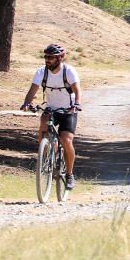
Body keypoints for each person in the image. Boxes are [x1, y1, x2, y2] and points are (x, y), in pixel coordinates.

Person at [21, 43, 81, 189]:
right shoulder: (41, 72)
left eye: (51, 57)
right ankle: (46, 153)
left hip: (68, 110)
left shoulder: (69, 71)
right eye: (46, 57)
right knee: (43, 120)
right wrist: (26, 103)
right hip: (51, 108)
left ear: (60, 58)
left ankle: (70, 174)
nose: (47, 60)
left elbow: (77, 90)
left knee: (66, 139)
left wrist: (77, 103)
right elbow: (32, 90)